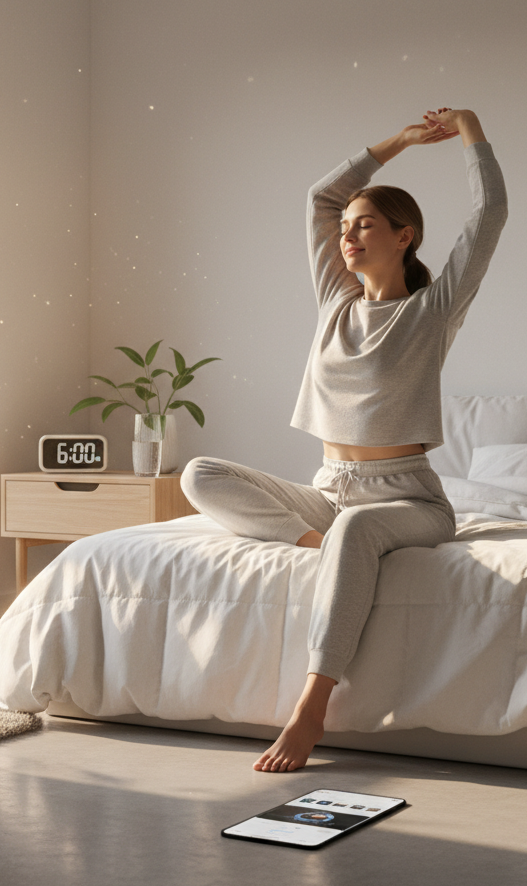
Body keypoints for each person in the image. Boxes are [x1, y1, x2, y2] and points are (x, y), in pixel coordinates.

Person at [180, 107, 508, 771]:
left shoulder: (433, 309)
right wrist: (401, 141)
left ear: (404, 236)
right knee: (198, 474)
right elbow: (320, 197)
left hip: (408, 500)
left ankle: (311, 707)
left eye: (364, 226)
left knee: (357, 530)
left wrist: (470, 128)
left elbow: (490, 213)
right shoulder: (335, 299)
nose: (348, 235)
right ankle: (316, 546)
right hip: (330, 491)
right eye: (346, 228)